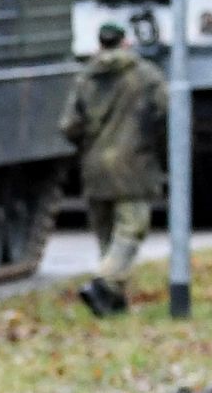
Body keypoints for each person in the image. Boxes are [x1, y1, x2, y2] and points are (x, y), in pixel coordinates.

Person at [63, 18, 170, 316]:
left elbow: (70, 126)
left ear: (100, 44)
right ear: (126, 42)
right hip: (134, 165)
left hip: (95, 168)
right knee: (131, 230)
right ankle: (104, 283)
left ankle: (113, 302)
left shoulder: (86, 78)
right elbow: (166, 114)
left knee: (107, 237)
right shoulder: (147, 76)